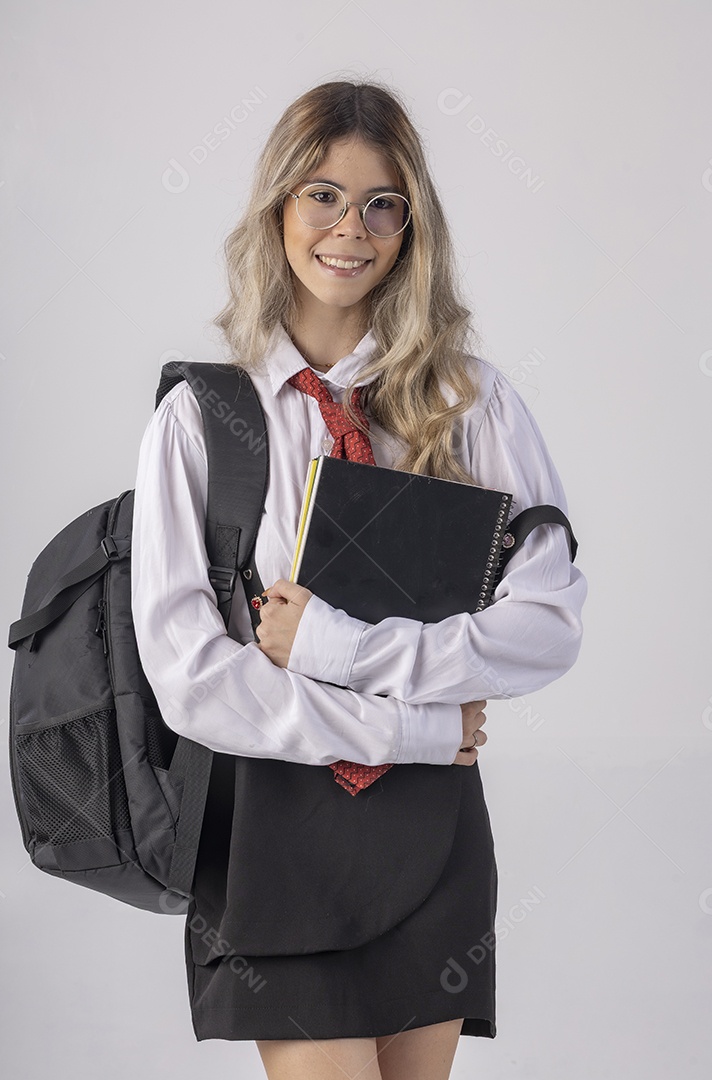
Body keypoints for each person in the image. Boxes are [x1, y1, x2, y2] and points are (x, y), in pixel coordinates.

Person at [130, 78, 587, 1080]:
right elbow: (192, 679)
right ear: (278, 211)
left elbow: (549, 621)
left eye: (383, 203)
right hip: (273, 844)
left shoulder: (470, 402)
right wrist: (416, 726)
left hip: (433, 842)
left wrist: (336, 647)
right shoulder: (203, 418)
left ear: (412, 225)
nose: (353, 228)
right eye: (323, 196)